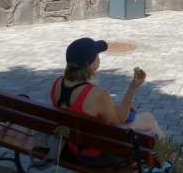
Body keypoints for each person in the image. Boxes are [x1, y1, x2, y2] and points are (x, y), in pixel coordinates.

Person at [51, 38, 164, 166]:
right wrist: (133, 87)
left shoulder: (57, 84)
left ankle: (178, 162)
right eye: (97, 54)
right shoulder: (97, 94)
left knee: (148, 121)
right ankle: (181, 164)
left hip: (75, 149)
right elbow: (119, 122)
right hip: (100, 155)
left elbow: (81, 110)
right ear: (90, 63)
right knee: (149, 120)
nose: (99, 57)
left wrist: (112, 107)